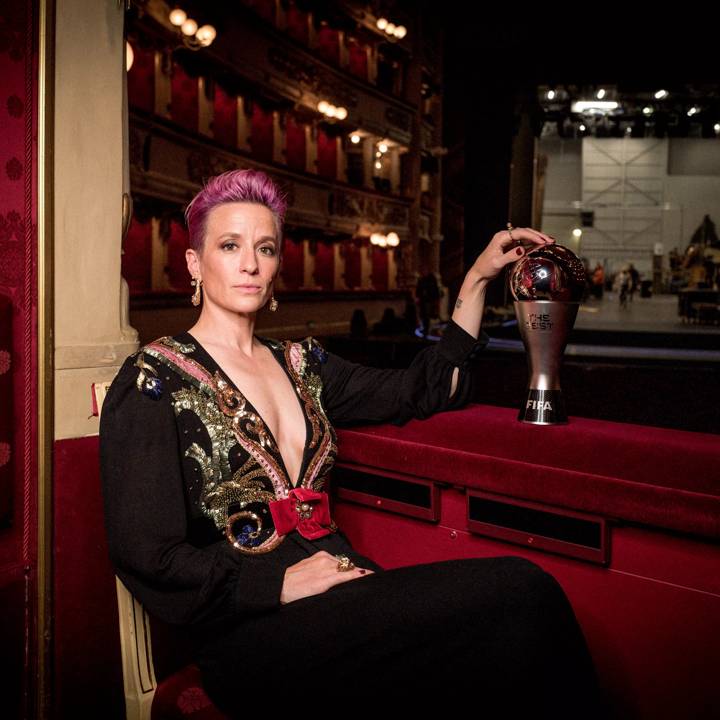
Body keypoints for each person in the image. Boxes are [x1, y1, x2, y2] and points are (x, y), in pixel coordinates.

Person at [100, 170, 602, 717]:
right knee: (523, 591)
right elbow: (147, 554)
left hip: (344, 591)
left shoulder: (304, 365)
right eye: (229, 246)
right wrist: (280, 583)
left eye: (264, 248)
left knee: (508, 637)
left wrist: (477, 280)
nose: (249, 264)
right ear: (196, 263)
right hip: (252, 633)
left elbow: (425, 388)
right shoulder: (153, 378)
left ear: (276, 265)